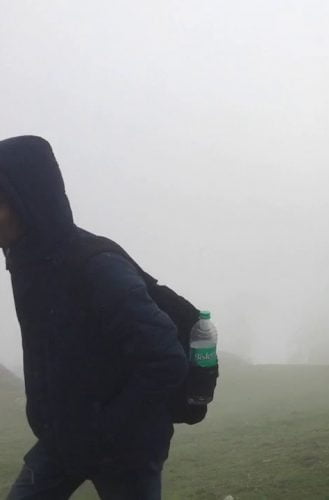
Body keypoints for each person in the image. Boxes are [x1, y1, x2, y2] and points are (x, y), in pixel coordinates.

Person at [0, 136, 188, 500]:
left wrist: (104, 432)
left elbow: (165, 359)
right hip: (64, 439)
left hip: (126, 447)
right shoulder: (28, 264)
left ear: (26, 200)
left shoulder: (96, 267)